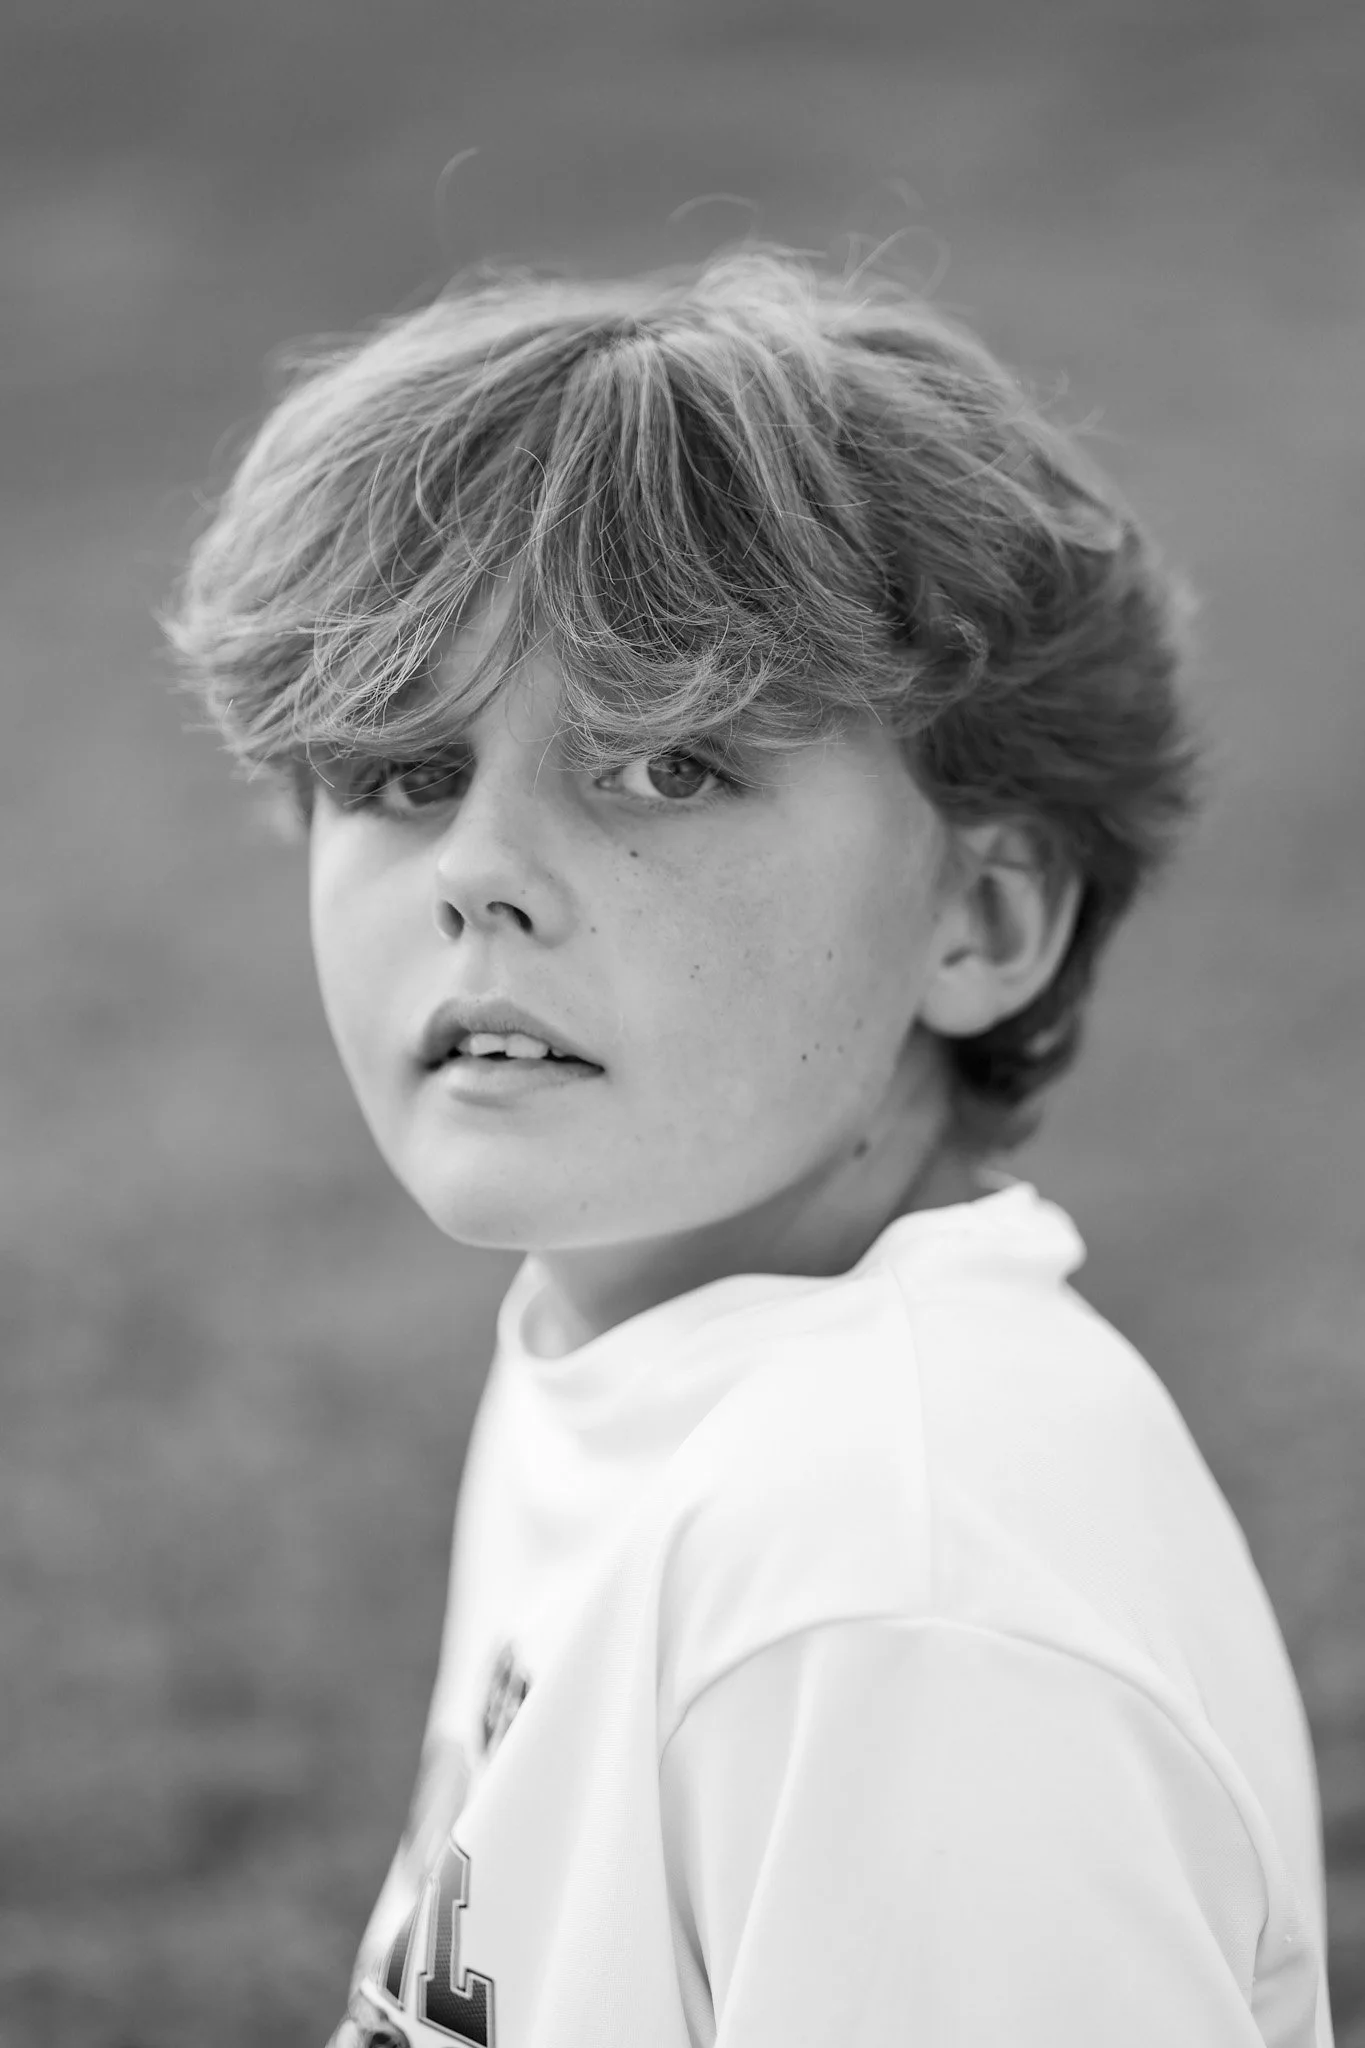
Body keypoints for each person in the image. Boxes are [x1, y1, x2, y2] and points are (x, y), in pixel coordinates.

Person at [161, 246, 1334, 2047]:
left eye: (666, 768)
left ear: (985, 916)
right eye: (403, 773)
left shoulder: (898, 1599)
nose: (476, 868)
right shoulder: (646, 1339)